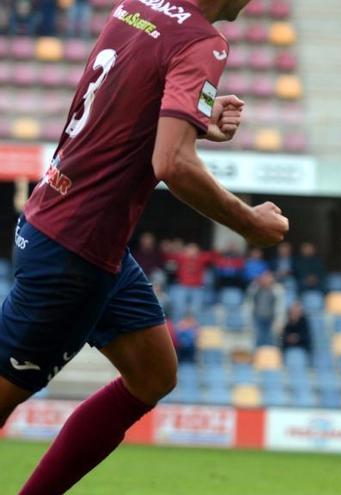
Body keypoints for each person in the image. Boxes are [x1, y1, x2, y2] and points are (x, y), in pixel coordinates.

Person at [0, 0, 289, 493]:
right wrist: (250, 224)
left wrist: (194, 114)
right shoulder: (203, 42)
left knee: (154, 374)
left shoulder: (135, 7)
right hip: (75, 251)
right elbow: (172, 163)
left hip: (70, 227)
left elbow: (124, 100)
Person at [245, 270, 286, 347]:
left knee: (271, 340)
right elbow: (249, 302)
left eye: (267, 277)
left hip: (271, 319)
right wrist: (256, 284)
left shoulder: (277, 289)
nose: (265, 279)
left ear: (272, 279)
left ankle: (271, 357)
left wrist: (279, 322)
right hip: (258, 318)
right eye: (263, 277)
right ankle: (258, 357)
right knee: (258, 340)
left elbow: (280, 307)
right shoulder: (255, 288)